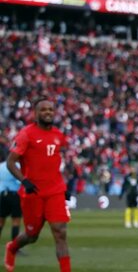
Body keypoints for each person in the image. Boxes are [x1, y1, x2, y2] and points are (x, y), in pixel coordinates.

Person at [4, 97, 71, 272]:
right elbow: (10, 162)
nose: (48, 112)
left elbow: (54, 162)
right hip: (33, 193)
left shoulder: (59, 135)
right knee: (32, 235)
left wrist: (63, 186)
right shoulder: (26, 134)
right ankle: (12, 247)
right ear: (35, 114)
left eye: (50, 109)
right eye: (43, 110)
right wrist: (25, 181)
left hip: (55, 191)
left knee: (60, 232)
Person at [0, 162, 22, 244]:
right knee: (16, 220)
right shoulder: (18, 166)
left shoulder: (1, 166)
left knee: (1, 220)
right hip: (14, 194)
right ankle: (15, 246)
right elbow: (19, 181)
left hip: (3, 195)